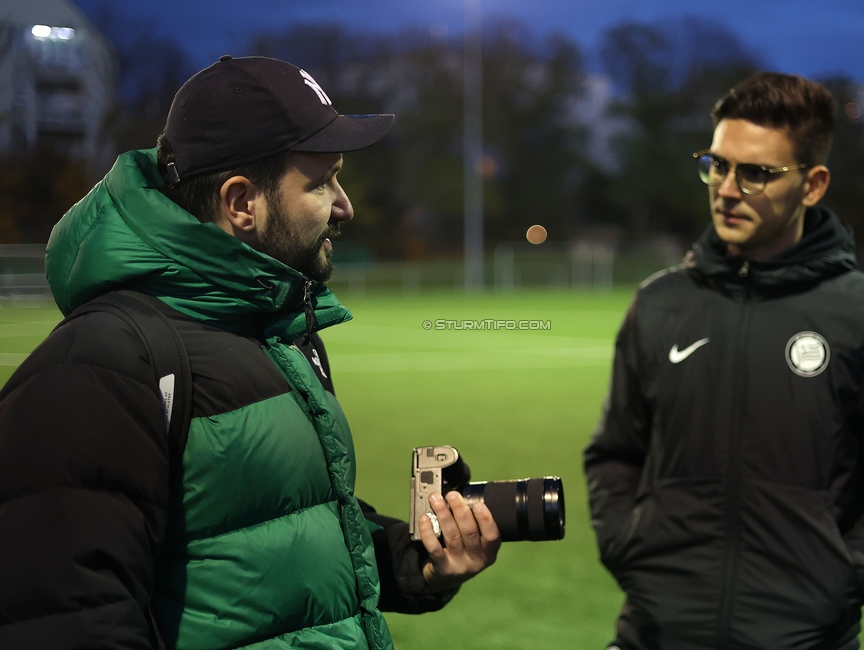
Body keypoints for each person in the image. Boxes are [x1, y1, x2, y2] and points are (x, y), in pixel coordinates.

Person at [0, 56, 500, 649]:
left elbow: (285, 529)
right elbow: (67, 623)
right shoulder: (101, 363)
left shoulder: (280, 334)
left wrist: (416, 557)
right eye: (321, 182)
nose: (345, 206)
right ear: (242, 203)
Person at [584, 72, 864, 650]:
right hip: (654, 634)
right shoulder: (660, 304)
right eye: (718, 164)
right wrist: (630, 550)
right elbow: (615, 453)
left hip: (804, 639)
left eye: (756, 173)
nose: (727, 189)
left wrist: (835, 581)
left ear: (813, 184)